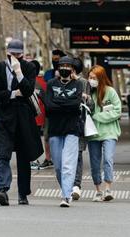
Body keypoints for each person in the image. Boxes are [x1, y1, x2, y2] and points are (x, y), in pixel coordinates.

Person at [0, 39, 43, 206]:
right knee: (3, 154)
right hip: (3, 117)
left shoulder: (29, 68)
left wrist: (19, 72)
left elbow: (27, 91)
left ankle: (22, 193)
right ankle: (2, 190)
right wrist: (13, 93)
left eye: (18, 54)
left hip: (23, 118)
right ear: (7, 52)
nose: (15, 57)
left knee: (23, 157)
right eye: (13, 54)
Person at [46, 56, 83, 207]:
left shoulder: (78, 84)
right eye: (63, 65)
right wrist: (66, 105)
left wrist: (58, 104)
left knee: (68, 164)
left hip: (72, 129)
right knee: (58, 166)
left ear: (72, 69)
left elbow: (75, 105)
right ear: (58, 68)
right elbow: (49, 106)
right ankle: (66, 189)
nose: (65, 68)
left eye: (68, 66)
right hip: (54, 129)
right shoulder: (50, 84)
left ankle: (66, 196)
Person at [87, 65, 121, 202]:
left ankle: (108, 188)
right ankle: (98, 190)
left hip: (109, 132)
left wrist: (98, 116)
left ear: (101, 78)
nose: (91, 80)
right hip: (93, 133)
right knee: (94, 163)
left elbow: (117, 111)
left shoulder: (110, 92)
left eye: (94, 78)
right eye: (89, 78)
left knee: (107, 159)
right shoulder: (89, 93)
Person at [71, 57, 94, 201]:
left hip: (79, 123)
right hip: (64, 124)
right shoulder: (60, 81)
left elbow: (90, 104)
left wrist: (84, 96)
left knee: (78, 155)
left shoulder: (83, 82)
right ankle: (69, 184)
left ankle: (76, 185)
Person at [29, 60, 50, 171]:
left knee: (32, 138)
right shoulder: (44, 82)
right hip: (43, 115)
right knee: (40, 138)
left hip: (33, 116)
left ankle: (33, 159)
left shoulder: (30, 81)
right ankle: (42, 158)